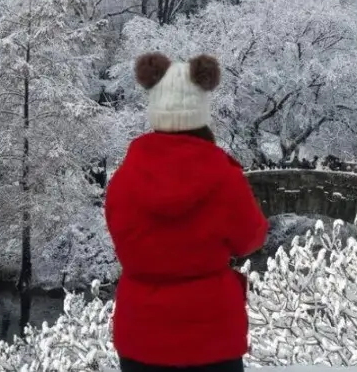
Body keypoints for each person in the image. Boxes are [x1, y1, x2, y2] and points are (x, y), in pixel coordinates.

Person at [106, 52, 268, 372]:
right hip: (212, 336)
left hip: (141, 335)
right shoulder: (224, 178)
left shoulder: (124, 180)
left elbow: (119, 235)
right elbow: (251, 238)